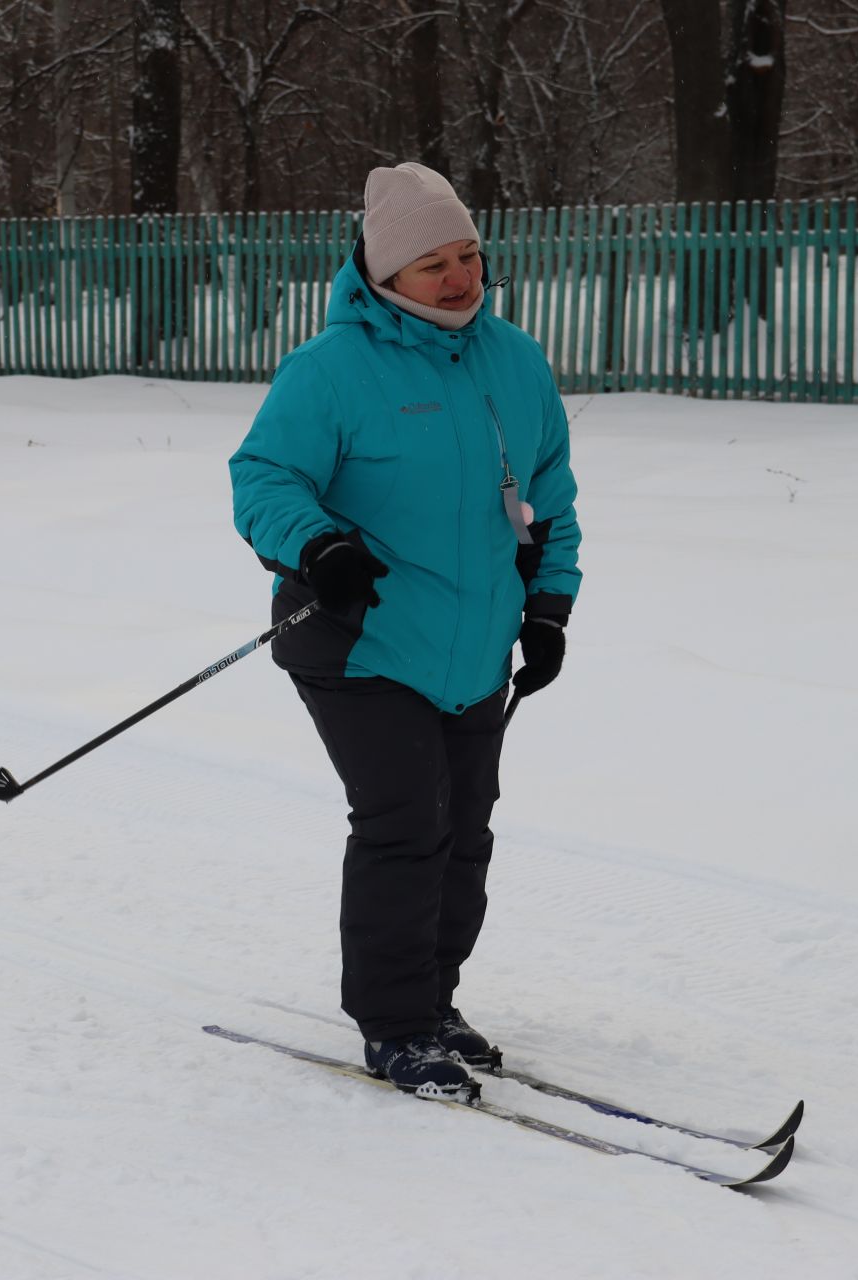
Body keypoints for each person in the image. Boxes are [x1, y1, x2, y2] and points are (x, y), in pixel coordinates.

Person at [228, 162, 582, 1098]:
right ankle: (394, 1025)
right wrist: (320, 549)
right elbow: (264, 479)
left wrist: (547, 606)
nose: (461, 277)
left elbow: (549, 499)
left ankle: (433, 997)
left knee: (465, 831)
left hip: (472, 647)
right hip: (359, 637)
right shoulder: (331, 369)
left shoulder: (515, 360)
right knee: (405, 824)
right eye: (433, 263)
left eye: (468, 254)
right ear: (386, 275)